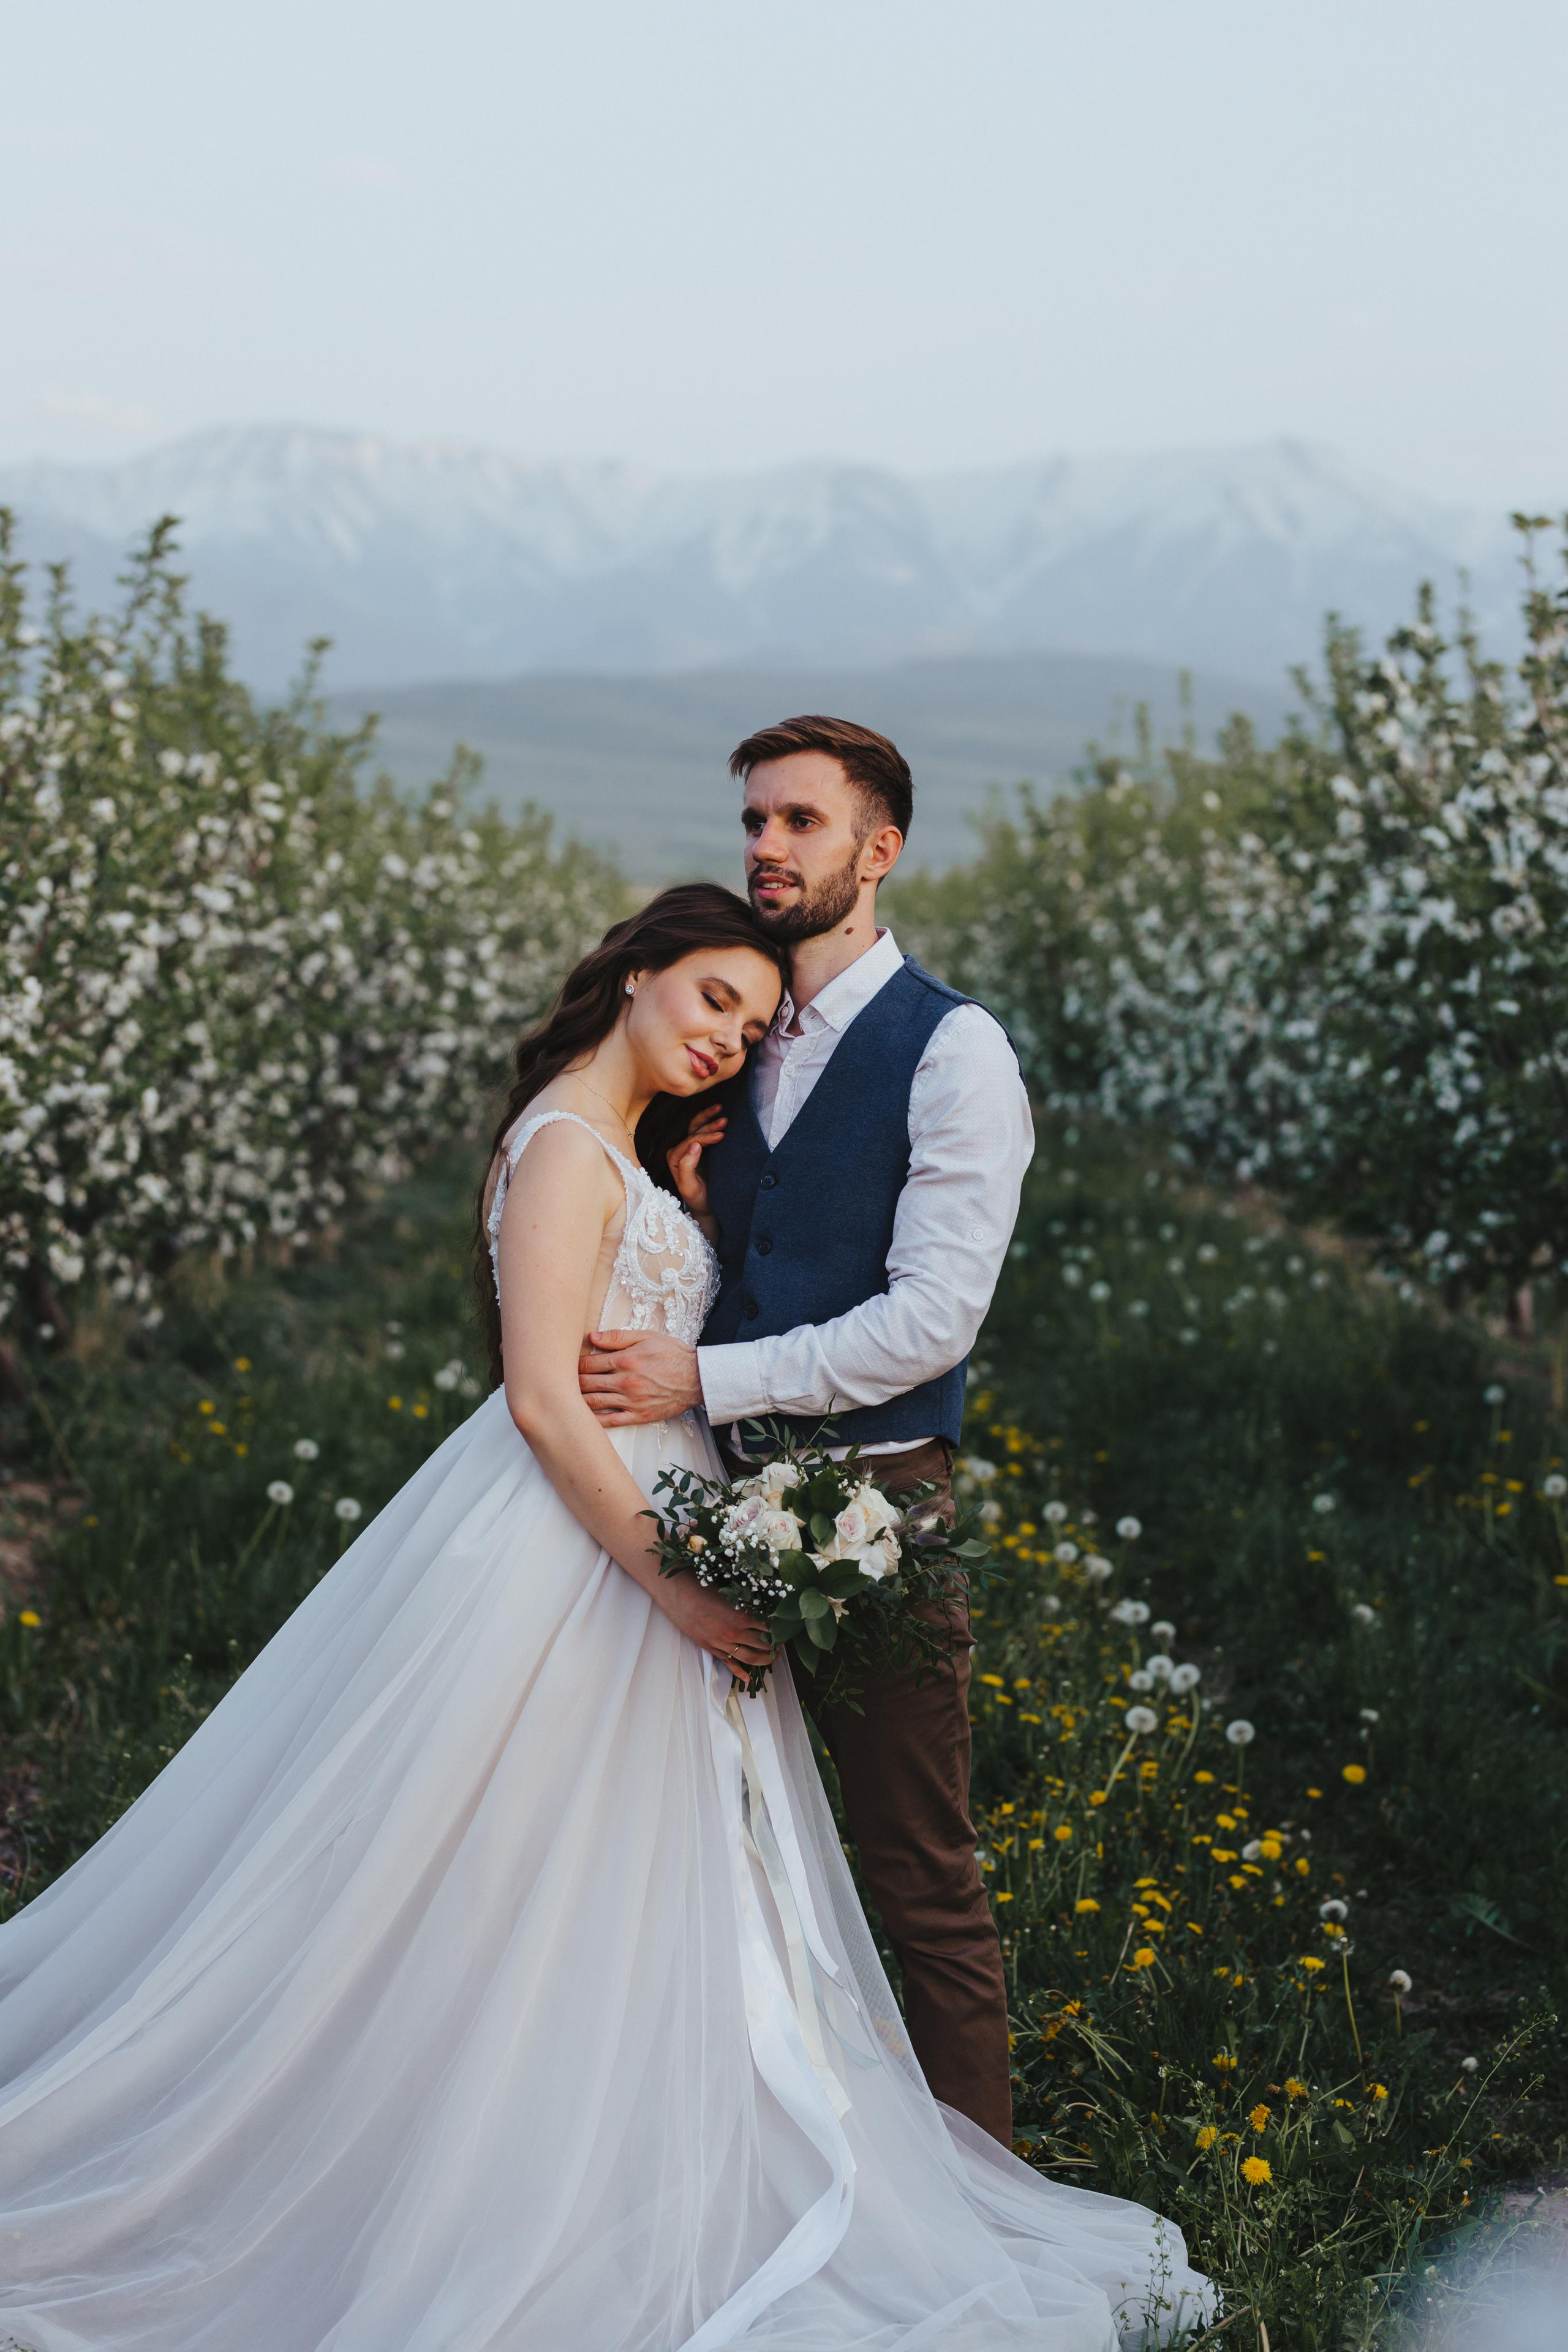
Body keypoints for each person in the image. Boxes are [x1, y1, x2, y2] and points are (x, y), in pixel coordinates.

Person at [0, 883, 1209, 2349]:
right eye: (710, 999)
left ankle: (643, 2157)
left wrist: (689, 1217)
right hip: (585, 1552)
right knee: (521, 1865)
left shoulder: (630, 1155)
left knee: (655, 1876)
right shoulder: (565, 1146)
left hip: (652, 1529)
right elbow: (536, 1400)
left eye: (753, 1027)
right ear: (635, 972)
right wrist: (677, 1584)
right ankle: (488, 2176)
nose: (726, 1040)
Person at [578, 717, 1027, 2147]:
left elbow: (927, 1323)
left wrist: (699, 1382)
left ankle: (977, 2189)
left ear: (877, 850)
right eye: (753, 824)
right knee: (708, 1853)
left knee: (914, 1870)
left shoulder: (951, 1051)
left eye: (799, 824)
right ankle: (738, 2157)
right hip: (702, 1506)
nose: (766, 849)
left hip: (874, 1510)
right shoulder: (735, 1040)